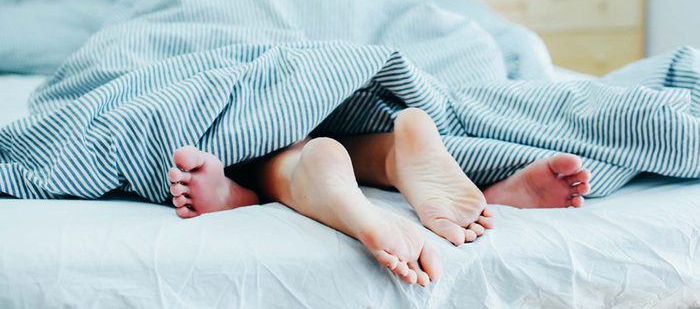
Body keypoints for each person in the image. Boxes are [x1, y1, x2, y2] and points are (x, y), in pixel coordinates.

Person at [167, 107, 591, 286]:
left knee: (275, 122)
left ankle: (295, 172)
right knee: (303, 111)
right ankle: (394, 155)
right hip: (340, 71)